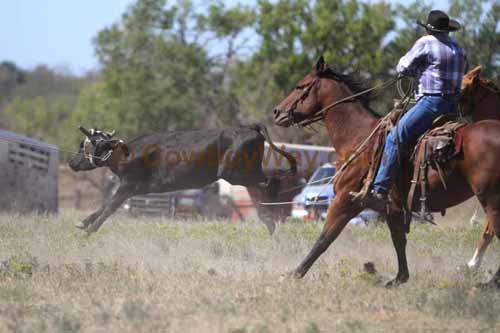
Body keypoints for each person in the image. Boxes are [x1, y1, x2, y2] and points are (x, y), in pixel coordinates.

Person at [358, 10, 466, 210]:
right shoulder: (458, 48)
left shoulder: (426, 42)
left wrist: (416, 70)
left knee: (395, 138)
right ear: (448, 29)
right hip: (453, 107)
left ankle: (380, 190)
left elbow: (402, 66)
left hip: (430, 104)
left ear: (430, 28)